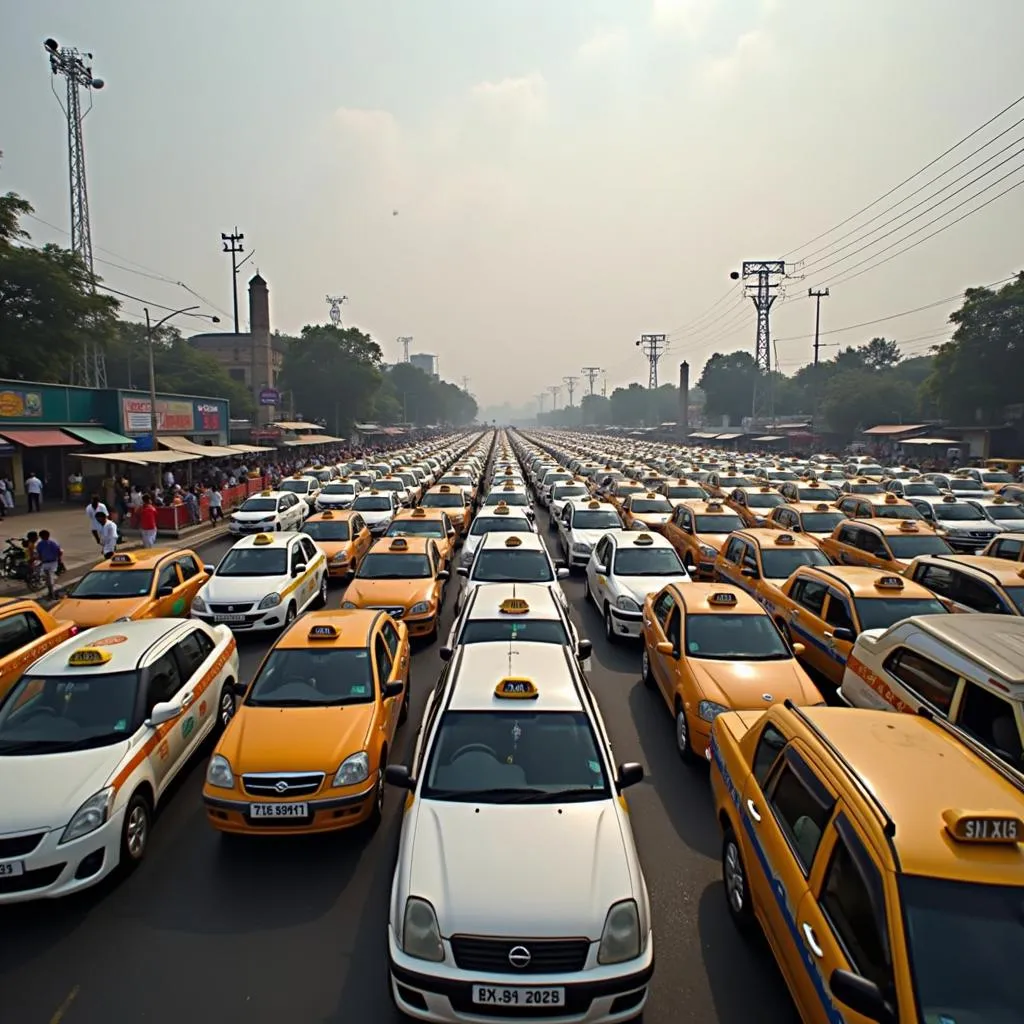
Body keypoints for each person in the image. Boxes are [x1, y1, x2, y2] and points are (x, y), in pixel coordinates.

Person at [36, 529, 61, 600]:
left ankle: (52, 593)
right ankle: (52, 593)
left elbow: (39, 554)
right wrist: (59, 560)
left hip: (46, 563)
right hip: (53, 562)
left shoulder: (40, 544)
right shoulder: (53, 543)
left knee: (48, 579)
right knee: (51, 578)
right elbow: (59, 551)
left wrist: (40, 560)